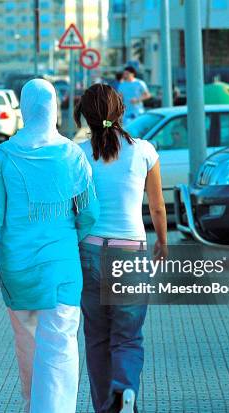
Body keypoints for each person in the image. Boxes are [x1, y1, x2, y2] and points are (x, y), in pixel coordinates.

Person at [0, 79, 99, 413]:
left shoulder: (4, 155)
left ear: (25, 109)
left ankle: (32, 405)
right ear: (54, 108)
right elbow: (89, 213)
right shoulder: (71, 155)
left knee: (27, 344)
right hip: (61, 267)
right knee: (58, 346)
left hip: (17, 270)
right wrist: (70, 238)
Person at [74, 83, 168, 413]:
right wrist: (163, 241)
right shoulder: (143, 150)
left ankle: (105, 407)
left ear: (84, 115)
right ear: (122, 112)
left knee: (97, 338)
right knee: (128, 336)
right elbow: (157, 206)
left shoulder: (79, 155)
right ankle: (125, 388)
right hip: (130, 250)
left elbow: (73, 209)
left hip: (90, 252)